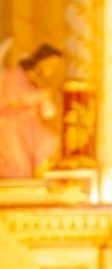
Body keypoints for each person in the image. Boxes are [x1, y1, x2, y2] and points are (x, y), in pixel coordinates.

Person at [0, 43, 61, 178]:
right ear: (40, 60)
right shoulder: (15, 74)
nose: (51, 69)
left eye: (54, 67)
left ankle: (37, 173)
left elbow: (47, 112)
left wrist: (47, 104)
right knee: (22, 171)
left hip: (29, 126)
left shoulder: (37, 81)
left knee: (50, 139)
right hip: (11, 124)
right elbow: (21, 95)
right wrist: (42, 95)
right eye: (49, 64)